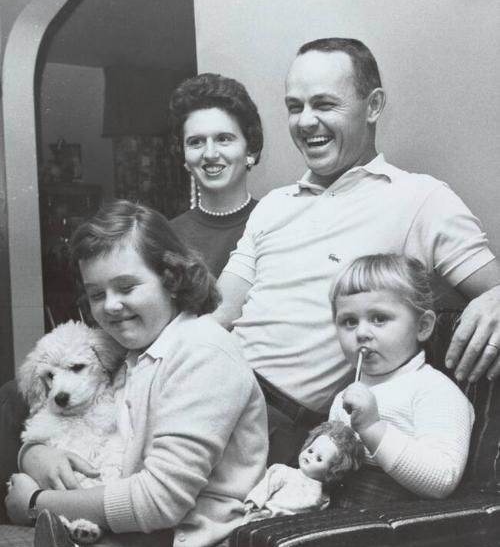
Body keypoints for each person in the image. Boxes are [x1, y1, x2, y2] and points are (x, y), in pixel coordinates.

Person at [215, 37, 500, 468]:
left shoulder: (419, 198)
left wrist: (496, 298)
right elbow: (216, 315)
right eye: (295, 107)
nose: (306, 121)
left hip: (276, 423)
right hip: (212, 385)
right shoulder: (273, 205)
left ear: (373, 105)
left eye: (324, 104)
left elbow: (493, 286)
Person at [0, 199, 268, 547]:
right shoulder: (129, 352)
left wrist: (38, 503)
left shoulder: (203, 353)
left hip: (179, 546)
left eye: (126, 287)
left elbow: (160, 501)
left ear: (170, 277)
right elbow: (75, 422)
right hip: (126, 526)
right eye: (96, 294)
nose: (109, 305)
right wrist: (33, 454)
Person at [328, 253, 475, 505]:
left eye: (379, 318)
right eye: (349, 322)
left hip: (397, 530)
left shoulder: (434, 390)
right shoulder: (345, 397)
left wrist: (373, 428)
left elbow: (442, 480)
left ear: (422, 326)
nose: (362, 332)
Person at [169, 73, 263, 277]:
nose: (210, 154)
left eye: (223, 139)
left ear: (251, 149)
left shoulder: (274, 221)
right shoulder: (167, 237)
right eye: (196, 142)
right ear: (184, 157)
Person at [244, 420, 363, 521]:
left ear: (332, 471)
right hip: (264, 517)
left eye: (319, 458)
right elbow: (266, 486)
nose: (310, 456)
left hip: (285, 530)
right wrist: (254, 501)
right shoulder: (285, 472)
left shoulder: (323, 498)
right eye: (310, 450)